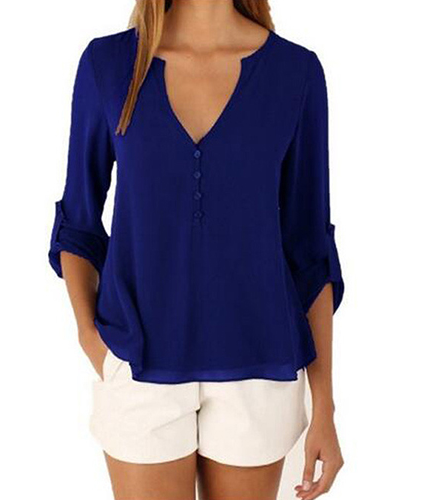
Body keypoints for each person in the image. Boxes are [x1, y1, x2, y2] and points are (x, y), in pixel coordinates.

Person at [48, 1, 345, 499]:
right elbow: (78, 221)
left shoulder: (295, 73)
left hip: (258, 366)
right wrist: (90, 338)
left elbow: (310, 250)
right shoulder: (109, 64)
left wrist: (325, 408)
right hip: (137, 362)